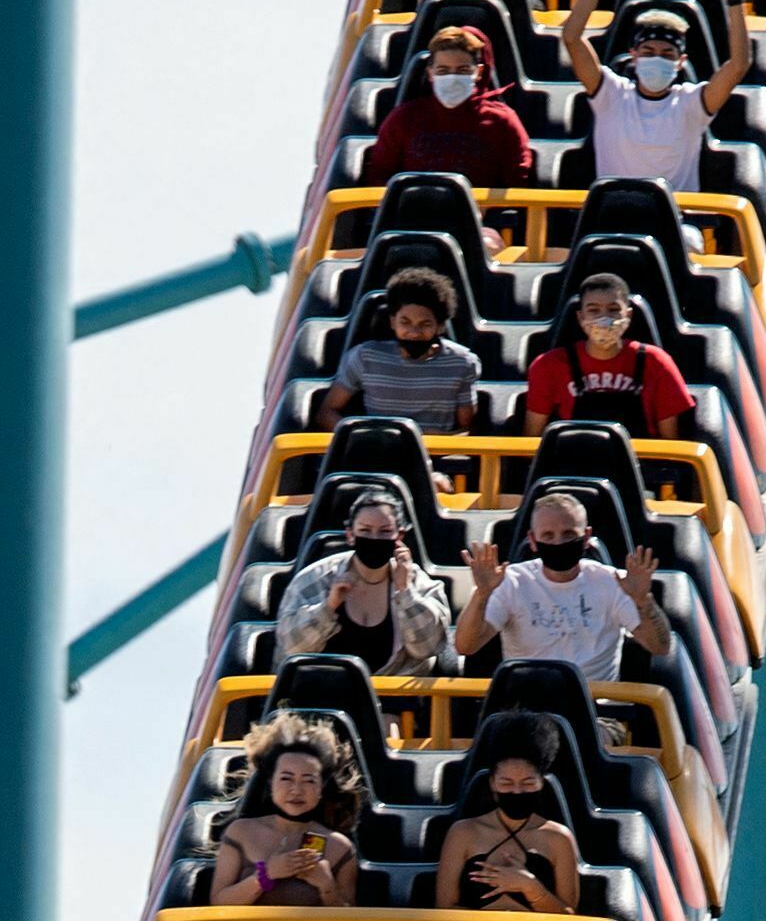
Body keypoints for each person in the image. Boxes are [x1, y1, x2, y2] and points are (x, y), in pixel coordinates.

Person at [202, 713, 364, 921]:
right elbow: (219, 904)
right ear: (271, 783)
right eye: (286, 779)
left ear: (321, 788)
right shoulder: (241, 832)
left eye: (308, 781)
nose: (296, 790)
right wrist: (265, 876)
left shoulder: (340, 846)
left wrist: (326, 887)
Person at [433, 710, 587, 921]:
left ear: (542, 783)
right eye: (507, 783)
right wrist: (503, 920)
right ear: (492, 783)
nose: (517, 791)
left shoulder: (558, 837)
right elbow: (444, 909)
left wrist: (529, 887)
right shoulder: (463, 833)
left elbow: (567, 918)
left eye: (528, 783)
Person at [468, 486, 665, 687]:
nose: (558, 543)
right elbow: (466, 645)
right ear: (533, 541)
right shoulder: (511, 581)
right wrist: (482, 594)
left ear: (586, 537)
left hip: (598, 710)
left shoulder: (614, 582)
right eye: (548, 536)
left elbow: (660, 647)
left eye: (569, 534)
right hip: (525, 709)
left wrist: (643, 600)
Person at [562, 0, 746, 195]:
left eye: (667, 54)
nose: (657, 59)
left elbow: (738, 66)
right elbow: (571, 37)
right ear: (634, 56)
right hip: (612, 216)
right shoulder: (611, 95)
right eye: (648, 52)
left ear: (680, 62)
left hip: (677, 221)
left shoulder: (691, 103)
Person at [276, 491, 456, 677]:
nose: (374, 539)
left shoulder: (420, 582)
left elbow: (429, 648)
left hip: (397, 700)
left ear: (399, 536)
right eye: (365, 531)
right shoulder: (314, 579)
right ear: (350, 535)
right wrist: (329, 606)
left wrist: (405, 591)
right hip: (325, 694)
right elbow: (291, 648)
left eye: (385, 532)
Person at [363, 11, 533, 187]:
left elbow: (518, 181)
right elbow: (379, 174)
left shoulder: (503, 121)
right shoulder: (403, 118)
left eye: (462, 70)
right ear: (430, 73)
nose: (452, 78)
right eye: (443, 71)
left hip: (482, 213)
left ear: (479, 72)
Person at [522, 273, 691, 436]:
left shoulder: (656, 361)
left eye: (613, 309)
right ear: (580, 317)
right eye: (594, 310)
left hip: (640, 462)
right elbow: (532, 440)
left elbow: (670, 443)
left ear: (628, 315)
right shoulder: (548, 365)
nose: (604, 318)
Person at [324, 274, 482, 435]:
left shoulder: (462, 363)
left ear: (440, 326)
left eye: (425, 324)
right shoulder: (364, 357)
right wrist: (362, 437)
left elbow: (467, 428)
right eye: (405, 322)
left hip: (435, 454)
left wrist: (436, 439)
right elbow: (326, 412)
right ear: (393, 322)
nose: (414, 333)